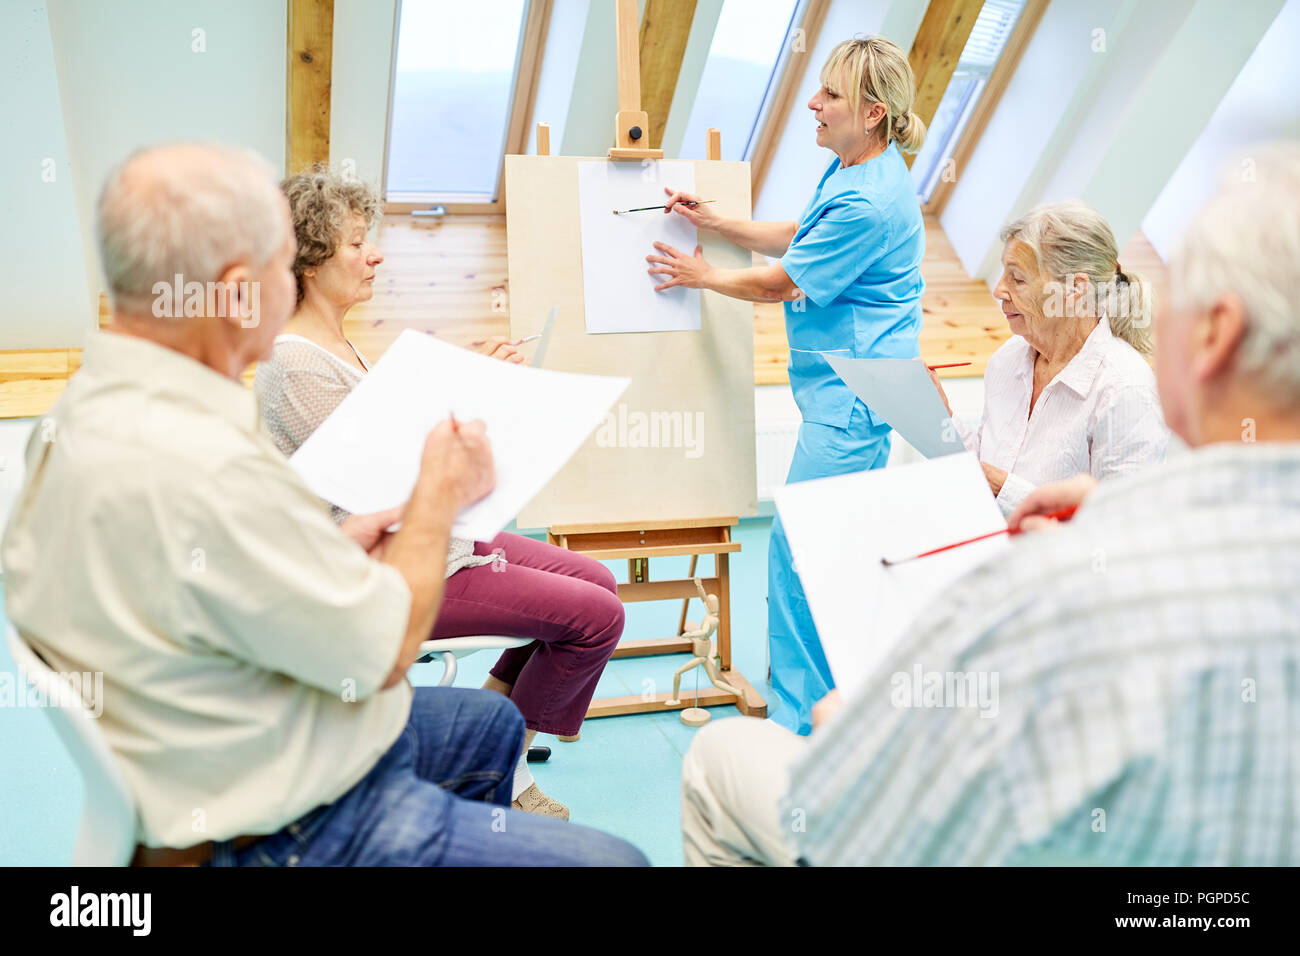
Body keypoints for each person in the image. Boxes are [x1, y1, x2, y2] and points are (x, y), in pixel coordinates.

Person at [1, 142, 647, 866]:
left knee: (491, 725)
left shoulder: (84, 415)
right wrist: (435, 501)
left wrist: (328, 554)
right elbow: (381, 652)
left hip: (232, 734)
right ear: (244, 288)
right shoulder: (209, 463)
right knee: (619, 862)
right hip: (287, 815)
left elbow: (214, 579)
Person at [678, 143, 1300, 866]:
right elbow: (984, 452)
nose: (1000, 290)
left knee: (724, 755)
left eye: (1016, 277)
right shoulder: (1018, 372)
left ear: (1216, 333)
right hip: (979, 580)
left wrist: (855, 733)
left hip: (987, 673)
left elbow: (933, 805)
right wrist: (945, 427)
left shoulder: (1119, 440)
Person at [254, 168, 626, 820]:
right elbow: (380, 482)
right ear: (309, 261)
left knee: (599, 580)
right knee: (597, 619)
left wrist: (466, 373)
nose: (374, 255)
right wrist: (472, 389)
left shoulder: (335, 344)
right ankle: (501, 776)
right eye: (354, 244)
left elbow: (387, 437)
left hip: (440, 539)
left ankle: (483, 750)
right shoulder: (295, 362)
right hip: (396, 565)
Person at [645, 36, 928, 734]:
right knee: (823, 552)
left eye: (828, 94)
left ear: (871, 111)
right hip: (845, 391)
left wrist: (700, 273)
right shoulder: (856, 168)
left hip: (856, 397)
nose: (811, 103)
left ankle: (806, 726)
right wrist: (717, 222)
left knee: (800, 556)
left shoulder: (869, 198)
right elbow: (802, 235)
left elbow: (785, 281)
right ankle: (827, 709)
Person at [929, 201, 1169, 514]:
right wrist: (939, 418)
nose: (999, 290)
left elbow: (1122, 524)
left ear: (1075, 290)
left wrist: (1006, 490)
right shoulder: (1007, 360)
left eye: (1017, 278)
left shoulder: (1126, 390)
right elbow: (982, 469)